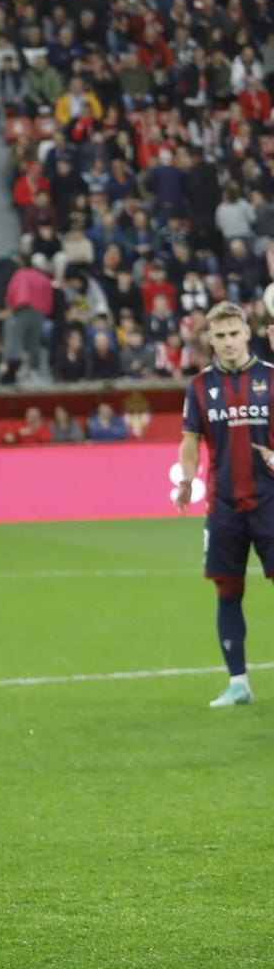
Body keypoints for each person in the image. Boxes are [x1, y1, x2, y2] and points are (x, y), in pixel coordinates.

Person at [175, 302, 274, 707]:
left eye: (234, 333)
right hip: (224, 506)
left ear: (246, 333)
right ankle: (238, 683)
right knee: (227, 592)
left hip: (271, 503)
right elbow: (190, 441)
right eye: (220, 336)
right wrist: (186, 478)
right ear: (209, 340)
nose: (229, 342)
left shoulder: (271, 379)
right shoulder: (199, 386)